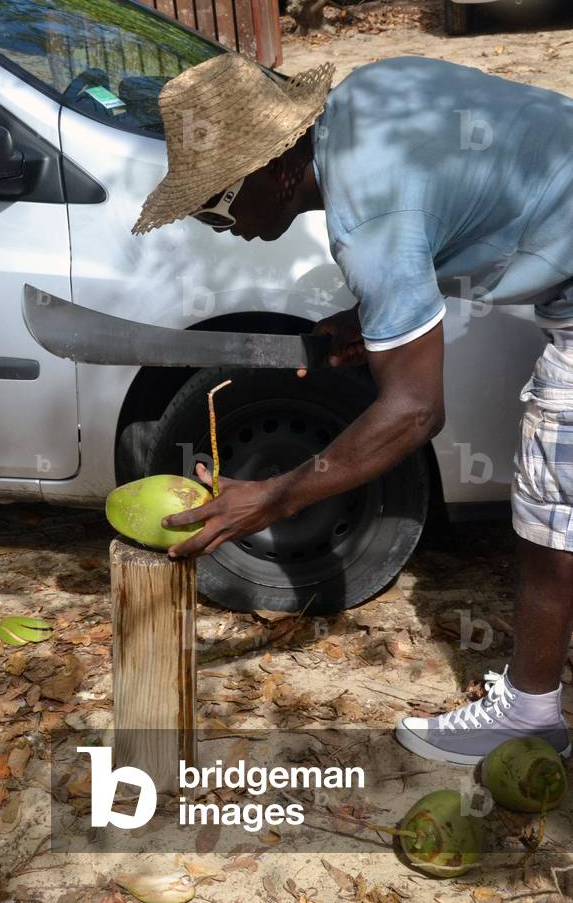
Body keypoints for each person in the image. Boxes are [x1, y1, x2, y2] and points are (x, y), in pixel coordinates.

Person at [132, 52, 572, 766]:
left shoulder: (366, 220)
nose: (214, 224)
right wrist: (374, 313)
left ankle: (528, 717)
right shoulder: (370, 96)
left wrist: (270, 498)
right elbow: (463, 197)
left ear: (278, 170)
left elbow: (414, 411)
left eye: (216, 199)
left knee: (551, 513)